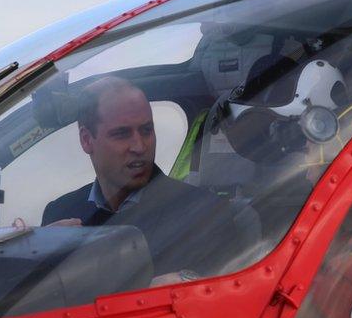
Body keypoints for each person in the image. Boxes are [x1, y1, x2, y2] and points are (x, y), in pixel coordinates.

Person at [42, 76, 238, 281]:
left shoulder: (205, 214)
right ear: (86, 140)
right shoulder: (59, 214)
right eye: (121, 134)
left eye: (147, 130)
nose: (140, 146)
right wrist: (37, 256)